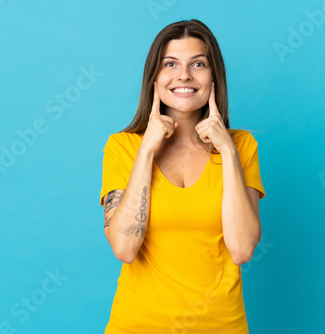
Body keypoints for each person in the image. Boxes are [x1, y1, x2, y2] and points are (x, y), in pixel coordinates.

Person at [100, 19, 265, 333]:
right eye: (170, 64)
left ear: (214, 77)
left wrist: (227, 151)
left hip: (221, 325)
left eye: (198, 64)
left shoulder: (241, 146)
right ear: (155, 79)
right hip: (138, 325)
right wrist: (147, 151)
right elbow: (124, 248)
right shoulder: (123, 147)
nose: (184, 75)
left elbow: (242, 249)